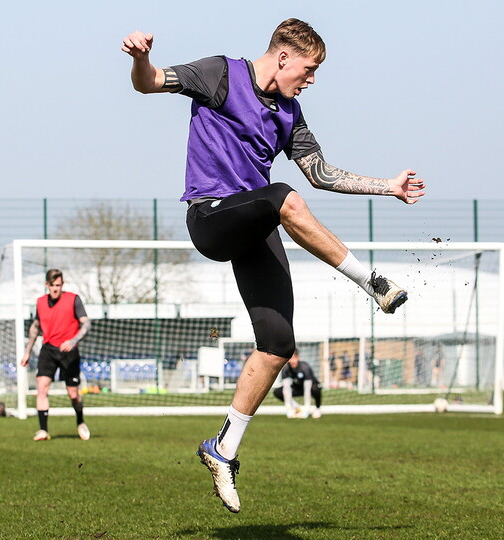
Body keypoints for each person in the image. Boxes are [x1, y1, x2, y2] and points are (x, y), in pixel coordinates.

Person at [122, 18, 425, 513]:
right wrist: (139, 57)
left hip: (256, 225)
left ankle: (222, 450)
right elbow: (150, 82)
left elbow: (322, 174)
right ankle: (373, 283)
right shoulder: (221, 74)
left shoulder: (290, 114)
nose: (309, 81)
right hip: (212, 217)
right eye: (307, 70)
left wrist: (386, 186)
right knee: (283, 198)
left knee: (278, 344)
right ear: (283, 57)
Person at [20, 269, 92, 442]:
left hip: (69, 351)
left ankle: (80, 421)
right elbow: (35, 327)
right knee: (42, 387)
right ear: (47, 285)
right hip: (48, 350)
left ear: (62, 285)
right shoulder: (40, 302)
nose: (55, 289)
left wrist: (73, 341)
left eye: (58, 285)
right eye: (52, 286)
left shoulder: (73, 299)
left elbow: (86, 324)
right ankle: (43, 430)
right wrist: (27, 352)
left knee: (73, 394)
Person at [272, 349, 322, 419]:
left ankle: (317, 409)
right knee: (278, 391)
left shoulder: (305, 367)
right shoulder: (286, 369)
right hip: (297, 388)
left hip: (309, 388)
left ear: (298, 358)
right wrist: (288, 408)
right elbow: (286, 388)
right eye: (290, 358)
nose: (292, 361)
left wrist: (306, 409)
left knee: (316, 389)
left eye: (294, 358)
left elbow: (307, 389)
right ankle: (297, 407)